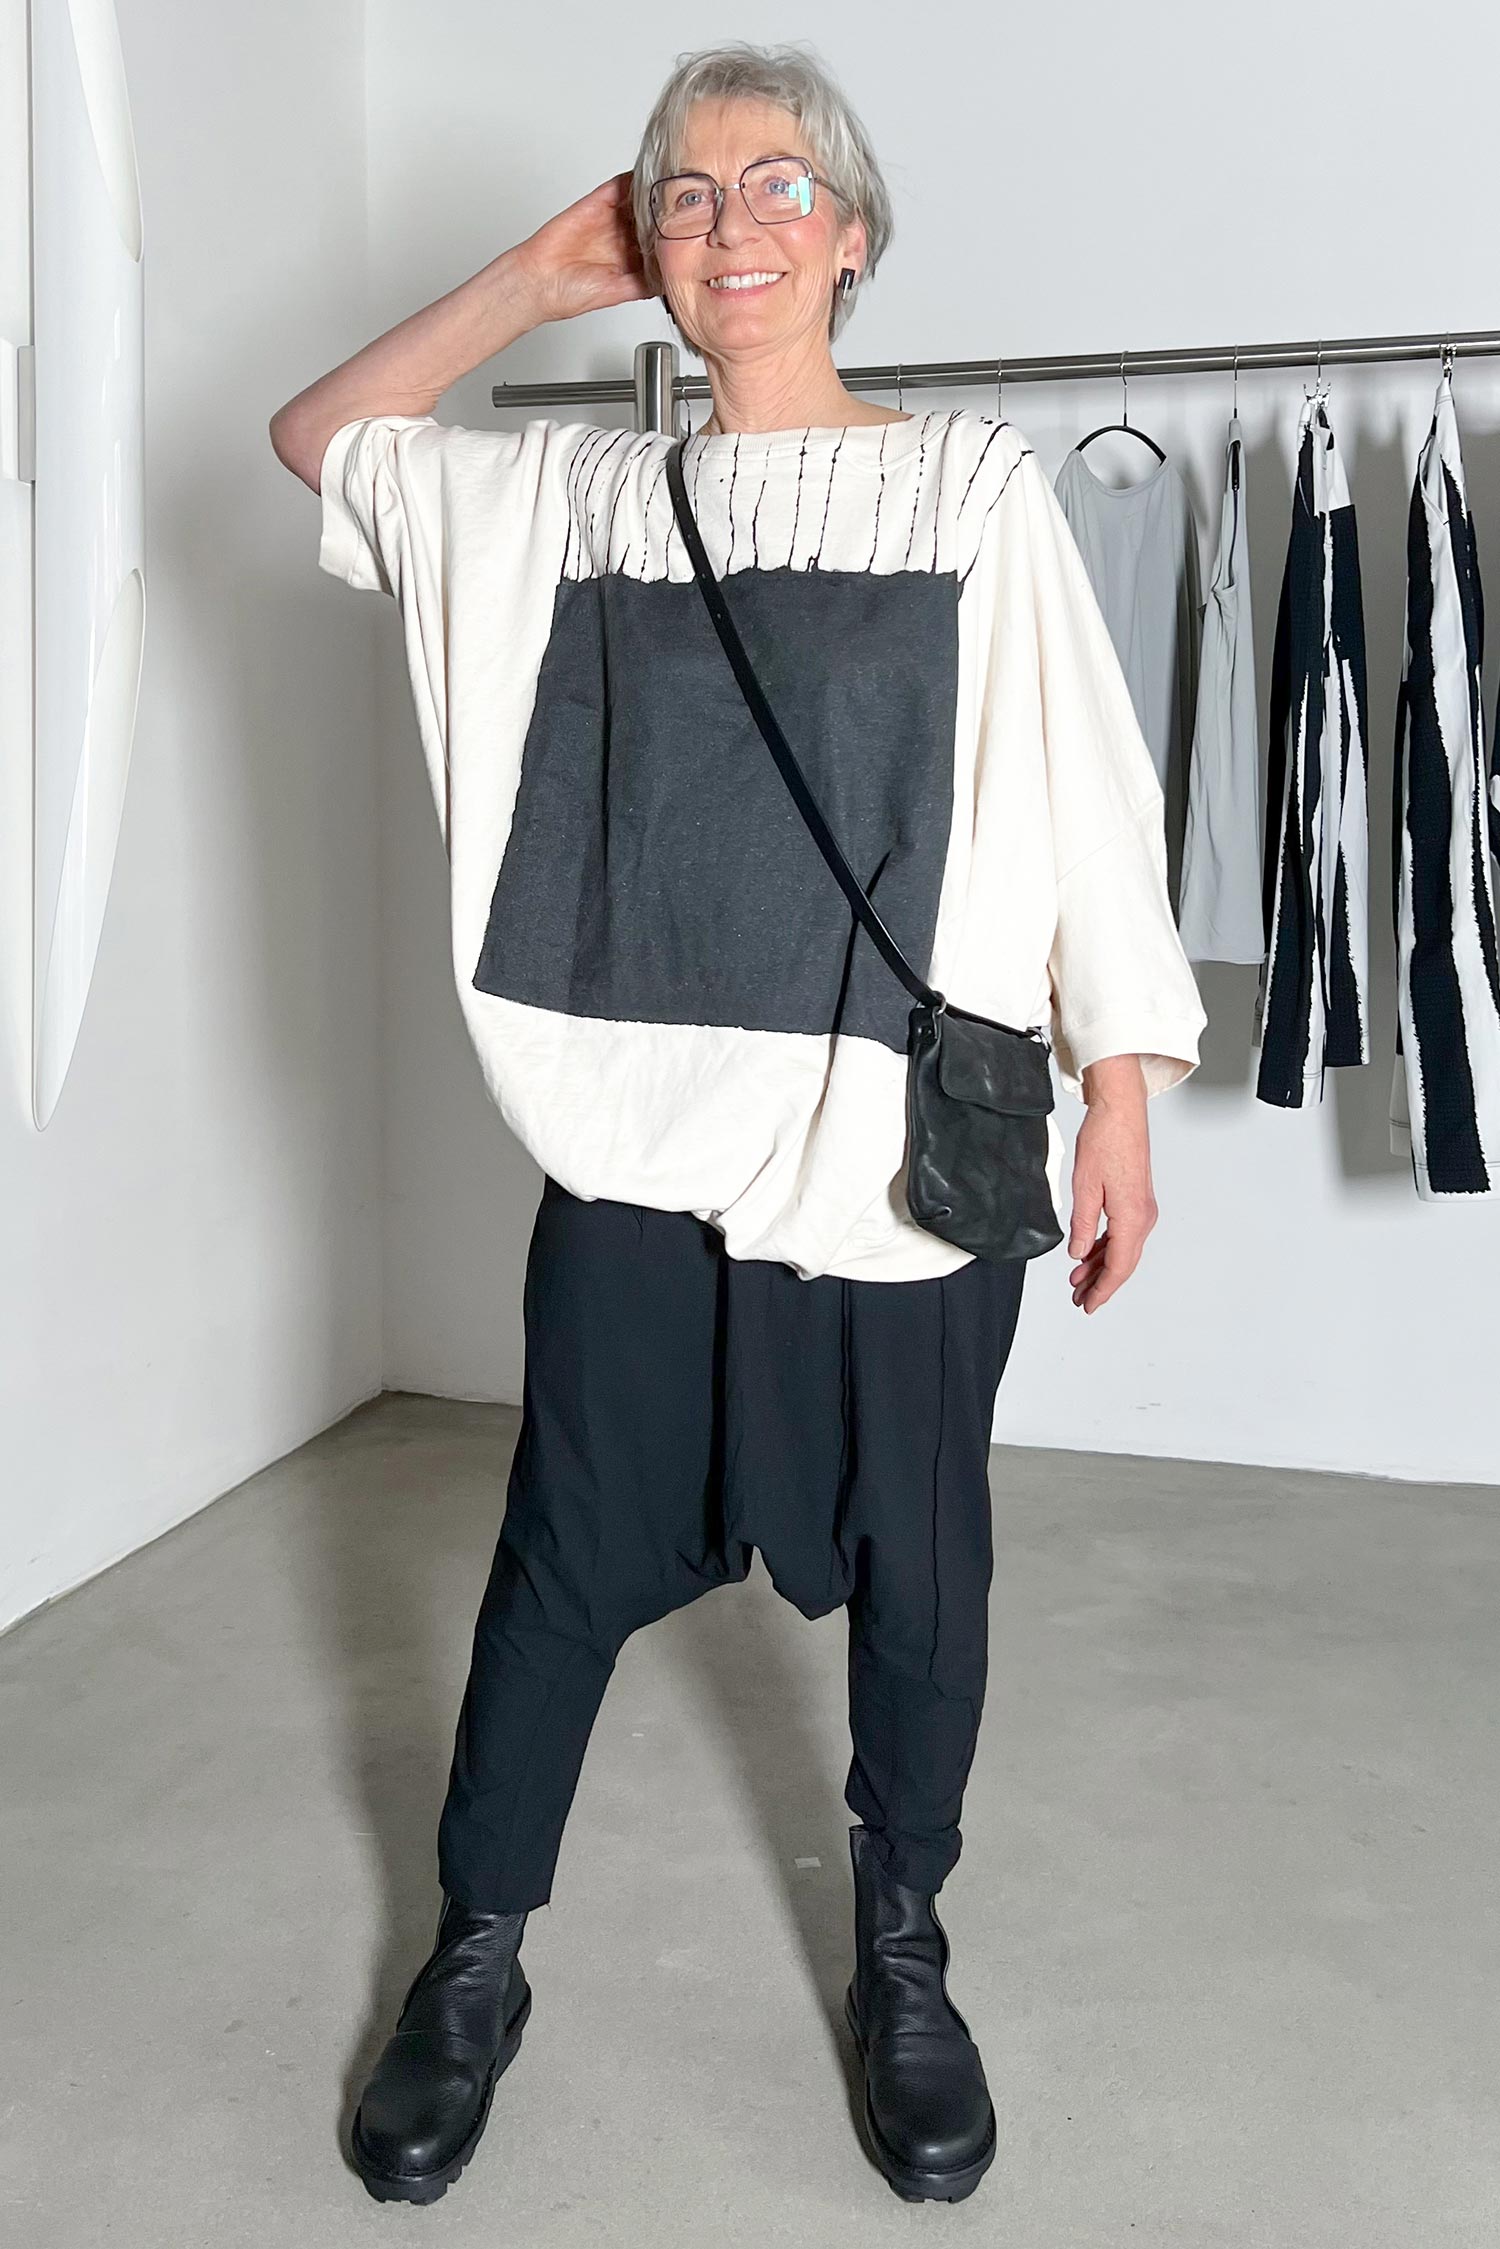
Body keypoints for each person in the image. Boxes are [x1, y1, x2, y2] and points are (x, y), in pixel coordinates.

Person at [269, 38, 1207, 2210]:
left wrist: (1122, 1097)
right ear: (651, 243)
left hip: (898, 1159)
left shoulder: (967, 490)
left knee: (926, 1575)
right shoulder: (578, 500)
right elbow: (324, 443)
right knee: (559, 1559)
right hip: (645, 1147)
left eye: (780, 184)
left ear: (853, 236)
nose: (732, 225)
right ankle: (476, 1957)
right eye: (685, 195)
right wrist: (535, 276)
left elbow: (1086, 793)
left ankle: (906, 1950)